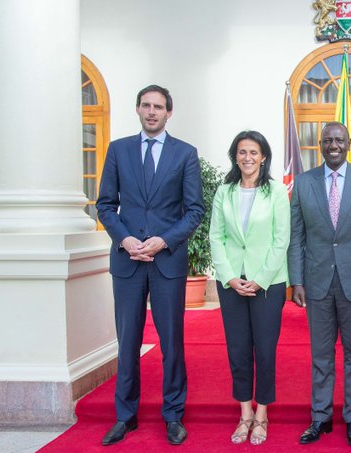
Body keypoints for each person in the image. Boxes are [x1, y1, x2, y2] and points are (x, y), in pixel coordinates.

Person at [97, 85, 204, 446]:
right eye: (146, 105)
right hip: (127, 260)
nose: (152, 112)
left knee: (172, 342)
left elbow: (194, 211)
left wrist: (163, 241)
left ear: (169, 112)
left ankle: (173, 415)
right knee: (128, 342)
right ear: (138, 109)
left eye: (159, 106)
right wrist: (125, 240)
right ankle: (125, 416)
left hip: (166, 262)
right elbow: (106, 205)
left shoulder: (185, 154)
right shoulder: (118, 150)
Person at [288, 122, 351, 448]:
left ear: (349, 143)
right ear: (319, 144)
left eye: (339, 140)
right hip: (316, 282)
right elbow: (296, 236)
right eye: (328, 140)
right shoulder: (303, 184)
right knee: (321, 355)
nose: (334, 144)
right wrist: (296, 280)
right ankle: (320, 417)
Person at [209, 130, 290, 445]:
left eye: (253, 152)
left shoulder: (276, 192)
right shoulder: (224, 192)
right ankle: (245, 414)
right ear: (235, 156)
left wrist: (260, 277)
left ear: (264, 156)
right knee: (238, 350)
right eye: (242, 152)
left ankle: (262, 415)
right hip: (232, 284)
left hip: (267, 284)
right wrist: (229, 277)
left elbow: (280, 239)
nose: (247, 158)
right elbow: (217, 236)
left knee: (265, 350)